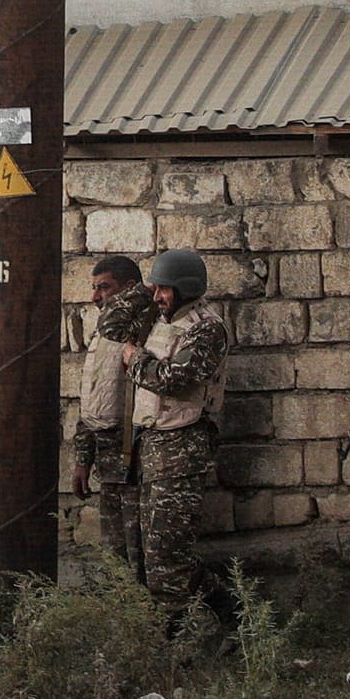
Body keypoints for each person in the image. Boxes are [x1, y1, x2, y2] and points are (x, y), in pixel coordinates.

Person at [120, 249, 232, 638]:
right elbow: (111, 325)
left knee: (170, 557)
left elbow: (175, 378)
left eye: (164, 290)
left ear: (186, 289)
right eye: (156, 290)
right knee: (155, 555)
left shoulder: (206, 327)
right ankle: (223, 624)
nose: (157, 298)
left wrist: (134, 360)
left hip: (182, 450)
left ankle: (217, 626)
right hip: (152, 447)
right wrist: (140, 292)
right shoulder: (160, 320)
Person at [73, 255, 159, 578]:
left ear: (128, 290)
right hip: (107, 465)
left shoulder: (144, 324)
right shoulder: (103, 334)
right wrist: (83, 459)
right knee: (115, 560)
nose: (96, 297)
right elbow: (92, 399)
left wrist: (140, 292)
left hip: (134, 463)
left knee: (141, 559)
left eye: (104, 288)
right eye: (94, 288)